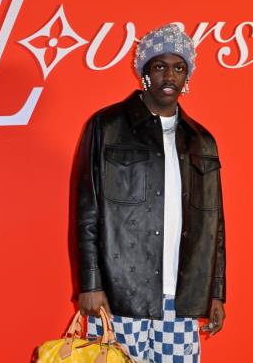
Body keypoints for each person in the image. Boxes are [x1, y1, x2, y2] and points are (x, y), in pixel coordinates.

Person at [72, 24, 227, 363]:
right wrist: (91, 283)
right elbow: (87, 209)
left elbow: (214, 225)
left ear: (187, 75)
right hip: (120, 292)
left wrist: (215, 291)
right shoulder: (107, 126)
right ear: (144, 72)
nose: (169, 75)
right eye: (159, 66)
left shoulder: (202, 140)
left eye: (178, 67)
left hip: (183, 295)